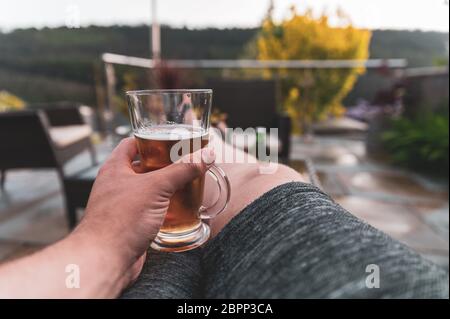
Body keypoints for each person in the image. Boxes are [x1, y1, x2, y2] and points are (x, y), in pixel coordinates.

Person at [0, 136, 447, 298]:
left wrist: (108, 246)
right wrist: (106, 240)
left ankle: (202, 179)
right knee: (257, 171)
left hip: (127, 271)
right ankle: (218, 145)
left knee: (183, 246)